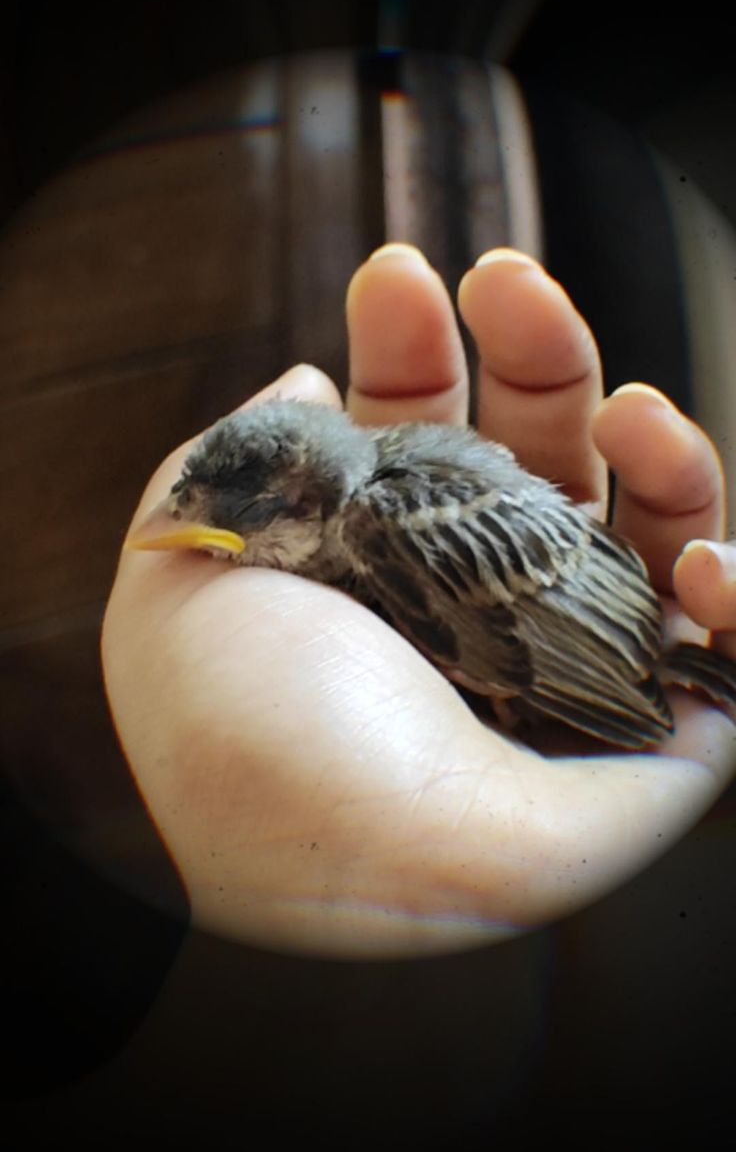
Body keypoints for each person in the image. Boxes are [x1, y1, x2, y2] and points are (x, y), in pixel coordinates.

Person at [102, 245, 736, 958]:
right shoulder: (352, 515)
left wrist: (641, 685)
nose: (193, 532)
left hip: (594, 641)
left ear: (305, 499)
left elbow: (522, 649)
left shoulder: (383, 521)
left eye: (237, 518)